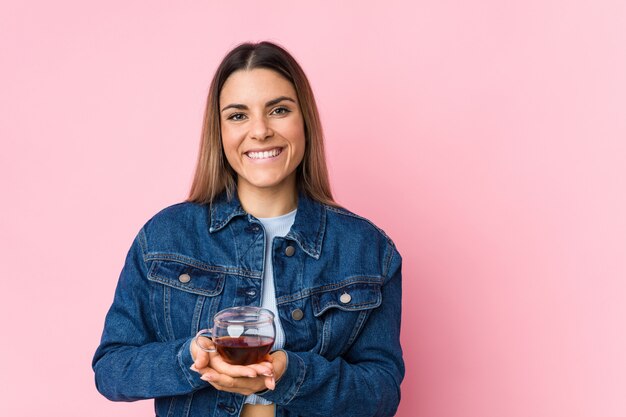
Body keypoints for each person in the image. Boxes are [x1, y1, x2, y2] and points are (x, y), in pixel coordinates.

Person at [92, 41, 404, 417]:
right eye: (238, 116)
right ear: (219, 132)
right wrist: (191, 358)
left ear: (303, 120)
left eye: (279, 110)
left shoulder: (366, 250)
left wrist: (291, 375)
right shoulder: (164, 238)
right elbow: (111, 368)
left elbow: (381, 393)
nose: (260, 131)